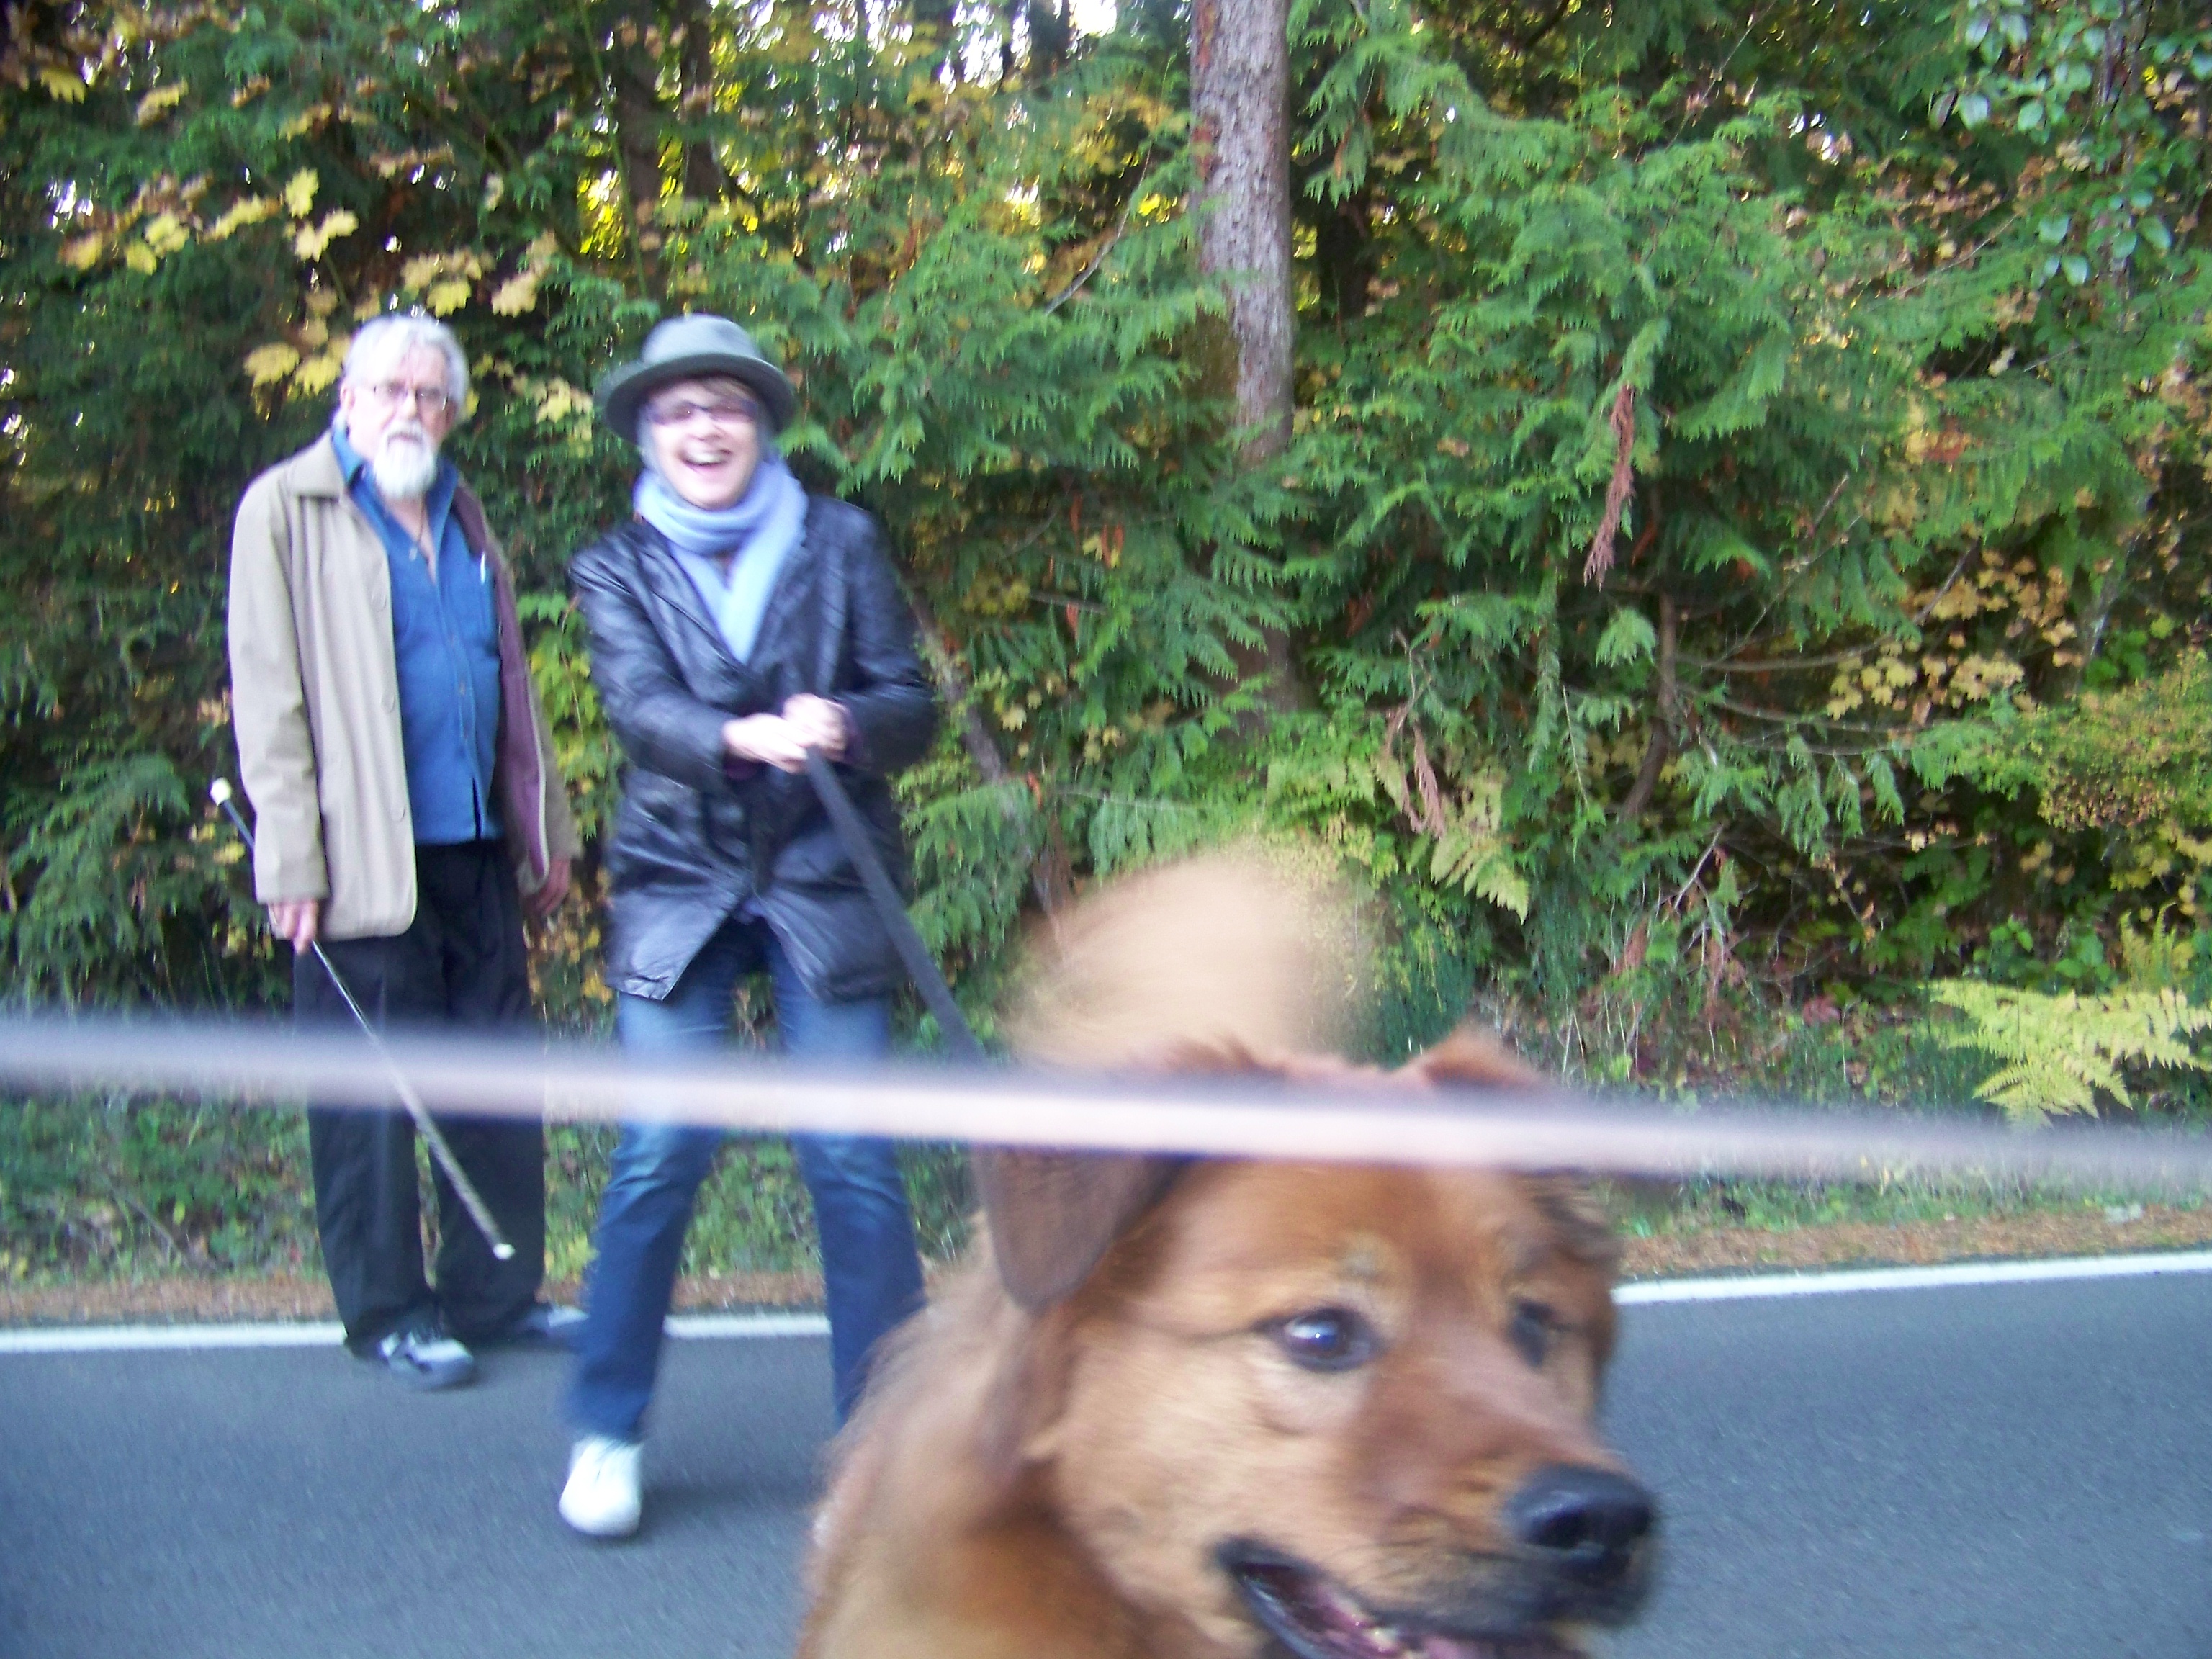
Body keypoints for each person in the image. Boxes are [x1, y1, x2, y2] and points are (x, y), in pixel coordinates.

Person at [557, 313, 937, 1539]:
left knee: (851, 1155)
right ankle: (606, 1433)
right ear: (648, 436)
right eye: (678, 412)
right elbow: (639, 709)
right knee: (664, 1142)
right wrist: (737, 737)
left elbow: (912, 704)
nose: (704, 428)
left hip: (826, 873)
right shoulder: (615, 567)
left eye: (726, 405)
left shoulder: (842, 540)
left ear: (762, 424)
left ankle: (880, 1459)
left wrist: (848, 725)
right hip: (678, 878)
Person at [228, 311, 582, 1390]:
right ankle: (387, 1311)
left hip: (475, 846)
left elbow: (510, 685)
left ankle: (494, 1297)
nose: (409, 410)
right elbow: (269, 700)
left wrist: (548, 833)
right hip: (358, 864)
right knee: (370, 1098)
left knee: (496, 1078)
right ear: (347, 400)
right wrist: (290, 861)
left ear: (453, 411)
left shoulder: (465, 513)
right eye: (388, 390)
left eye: (430, 395)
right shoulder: (285, 509)